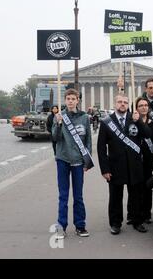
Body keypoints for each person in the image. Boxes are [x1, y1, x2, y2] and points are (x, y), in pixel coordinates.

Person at [97, 94, 152, 235]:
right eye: (120, 102)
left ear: (129, 104)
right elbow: (101, 149)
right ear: (115, 103)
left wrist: (139, 121)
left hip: (134, 165)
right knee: (115, 197)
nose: (123, 104)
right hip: (115, 166)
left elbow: (147, 134)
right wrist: (105, 169)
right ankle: (115, 223)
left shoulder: (134, 118)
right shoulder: (106, 122)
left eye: (125, 102)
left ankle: (137, 221)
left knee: (136, 196)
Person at [52, 89, 92, 239]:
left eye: (73, 98)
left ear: (77, 100)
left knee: (78, 196)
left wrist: (87, 161)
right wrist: (58, 124)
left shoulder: (84, 118)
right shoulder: (60, 116)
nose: (70, 101)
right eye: (68, 98)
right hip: (62, 159)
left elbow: (87, 140)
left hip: (78, 161)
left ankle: (80, 225)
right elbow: (55, 138)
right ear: (65, 100)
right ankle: (61, 226)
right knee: (63, 195)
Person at [135, 97, 153, 224]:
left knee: (149, 187)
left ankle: (147, 214)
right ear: (137, 108)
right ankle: (137, 214)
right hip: (137, 160)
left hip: (150, 160)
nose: (144, 107)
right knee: (138, 189)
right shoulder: (133, 123)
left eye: (146, 105)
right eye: (141, 105)